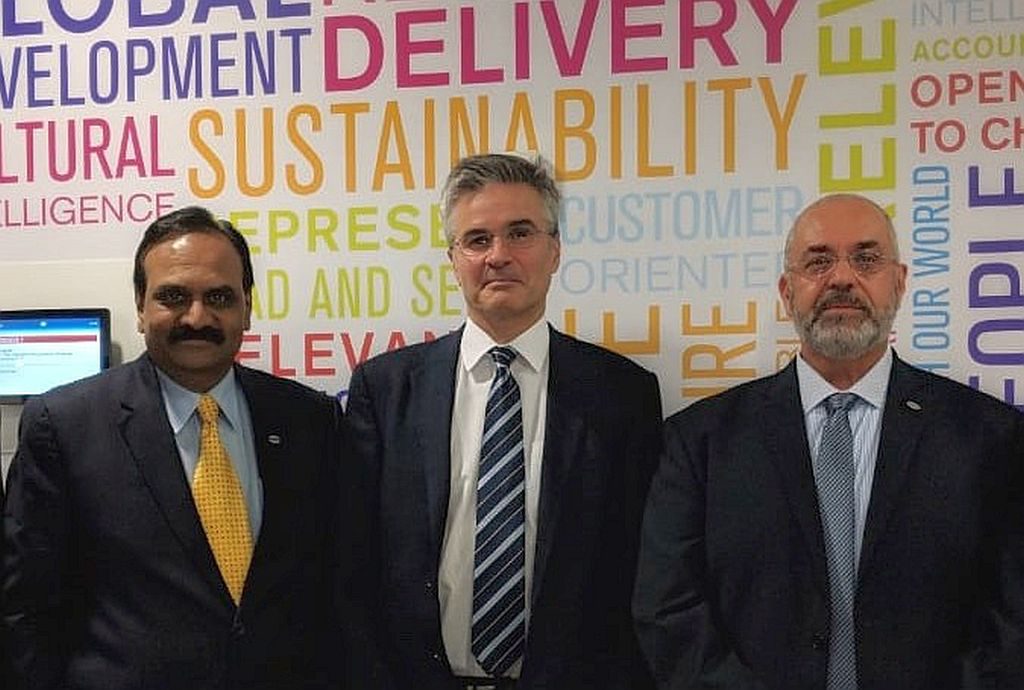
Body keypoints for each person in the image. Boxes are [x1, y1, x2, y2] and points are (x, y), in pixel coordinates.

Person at [633, 193, 1024, 689]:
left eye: (866, 259)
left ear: (899, 282)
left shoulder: (988, 437)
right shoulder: (700, 443)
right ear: (786, 291)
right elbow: (668, 608)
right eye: (818, 262)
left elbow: (1012, 616)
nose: (841, 278)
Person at [341, 153, 662, 690]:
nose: (498, 256)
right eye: (477, 240)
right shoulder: (386, 390)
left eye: (520, 233)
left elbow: (640, 571)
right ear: (453, 259)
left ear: (555, 250)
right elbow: (352, 565)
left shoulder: (621, 395)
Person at [2, 207, 342, 690]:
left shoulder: (309, 419)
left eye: (219, 297)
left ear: (247, 307)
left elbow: (337, 587)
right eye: (173, 297)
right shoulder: (63, 426)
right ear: (141, 307)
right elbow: (25, 609)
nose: (197, 317)